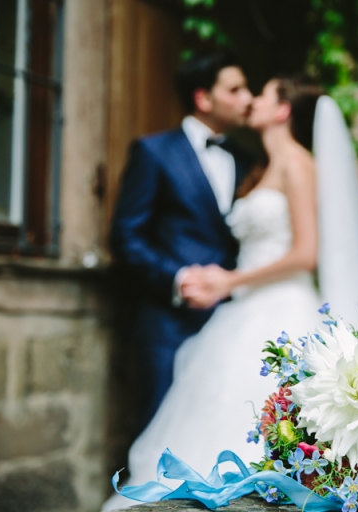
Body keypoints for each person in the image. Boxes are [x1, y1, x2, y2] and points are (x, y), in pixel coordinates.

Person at [101, 76, 358, 511]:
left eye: (262, 94)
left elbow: (305, 254)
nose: (251, 102)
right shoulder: (260, 165)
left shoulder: (299, 165)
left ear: (282, 109)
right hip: (241, 310)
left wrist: (228, 281)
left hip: (281, 307)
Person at [110, 52, 257, 430]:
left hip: (233, 323)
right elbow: (126, 235)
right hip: (167, 324)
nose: (248, 98)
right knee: (160, 434)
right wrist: (178, 278)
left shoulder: (249, 161)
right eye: (236, 89)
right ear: (203, 98)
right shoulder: (153, 152)